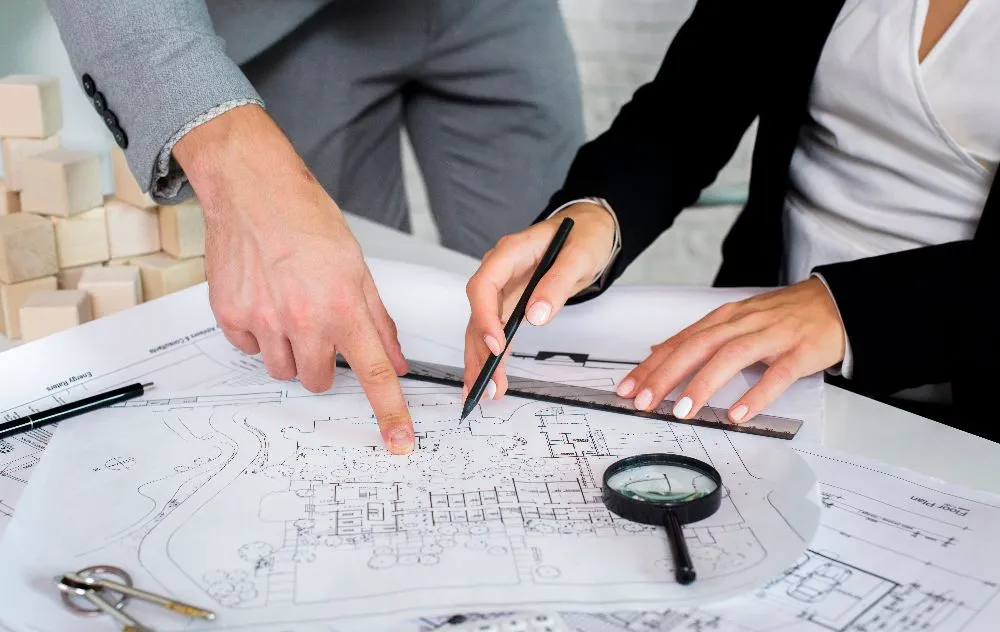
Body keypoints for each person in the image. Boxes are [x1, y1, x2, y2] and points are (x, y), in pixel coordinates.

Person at [43, 0, 584, 454]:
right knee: (331, 324)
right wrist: (228, 153)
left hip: (499, 13)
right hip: (287, 19)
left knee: (550, 298)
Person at [463, 0, 1000, 441]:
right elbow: (686, 109)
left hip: (961, 395)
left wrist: (849, 311)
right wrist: (599, 213)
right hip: (747, 357)